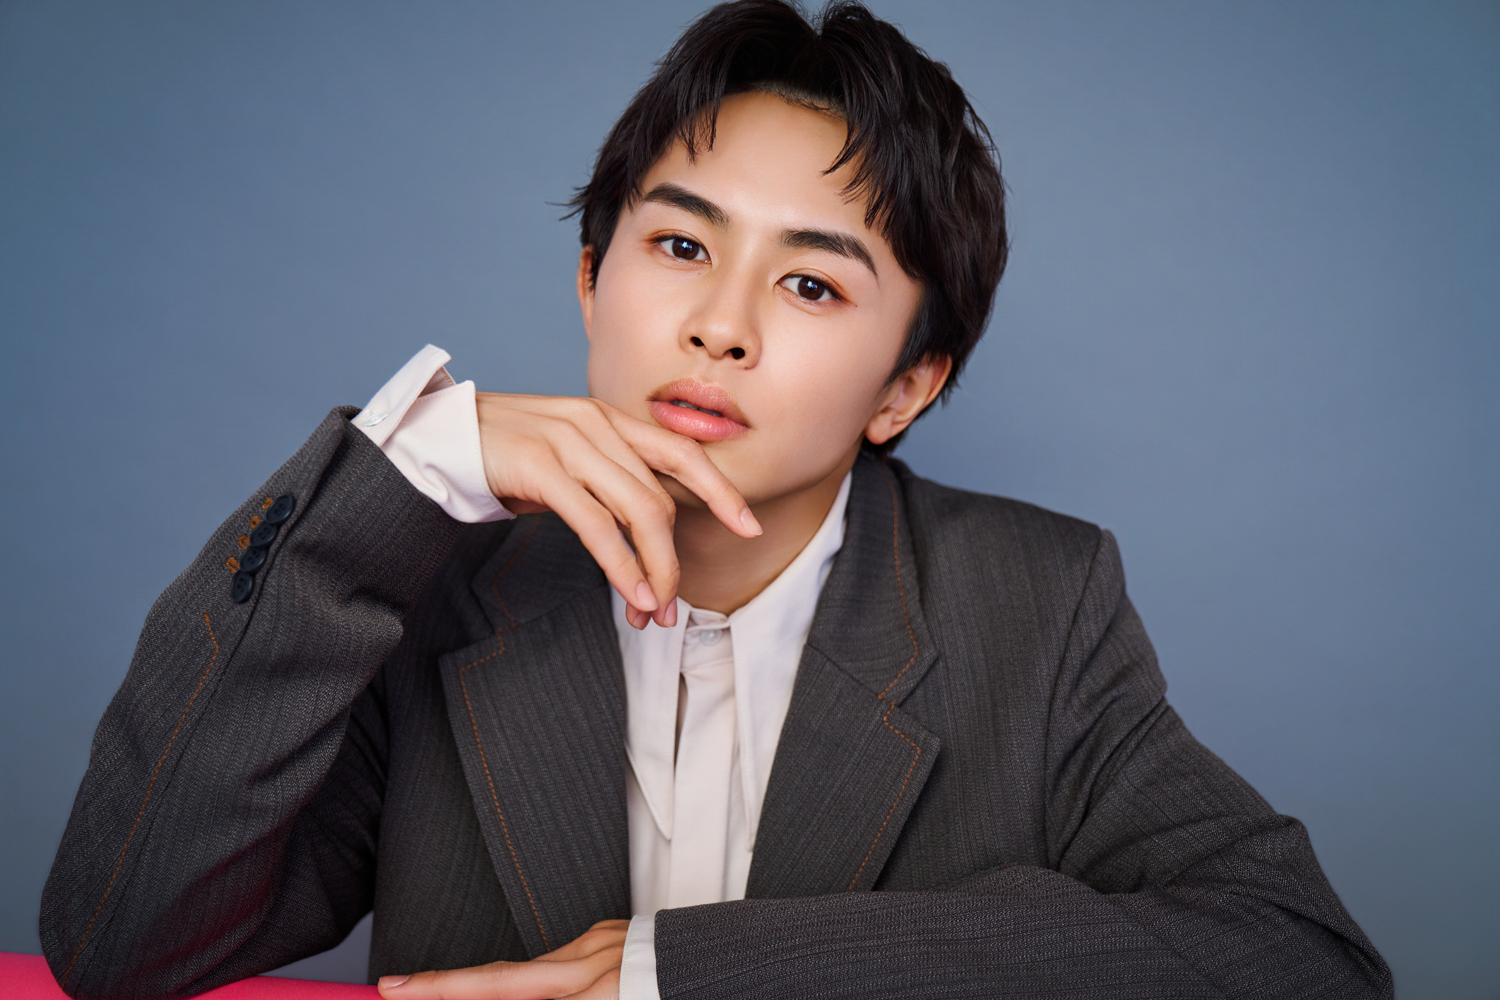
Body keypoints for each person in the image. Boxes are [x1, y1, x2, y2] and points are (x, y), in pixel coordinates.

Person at [40, 2, 1391, 998]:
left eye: (810, 283)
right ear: (591, 281)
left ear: (904, 386)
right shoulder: (428, 581)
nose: (720, 326)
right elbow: (123, 941)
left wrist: (686, 975)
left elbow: (1299, 957)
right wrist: (398, 478)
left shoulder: (1036, 605)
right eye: (680, 244)